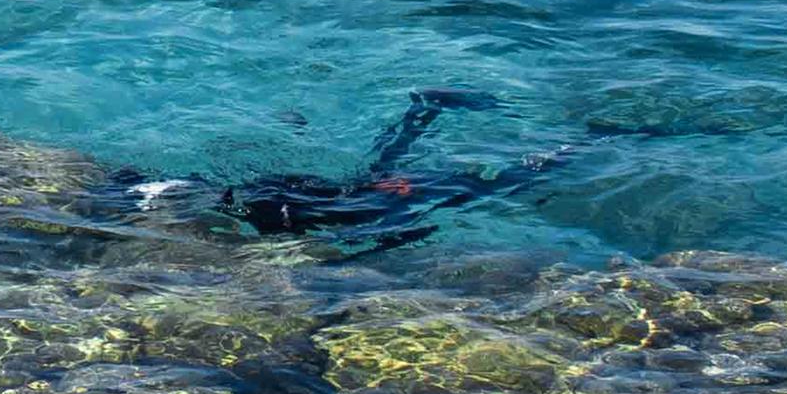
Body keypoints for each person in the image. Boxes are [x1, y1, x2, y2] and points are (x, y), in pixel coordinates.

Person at [147, 89, 579, 253]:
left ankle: (561, 155)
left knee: (477, 187)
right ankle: (423, 108)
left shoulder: (250, 211)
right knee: (394, 168)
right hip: (337, 198)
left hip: (357, 203)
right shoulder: (239, 197)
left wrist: (407, 232)